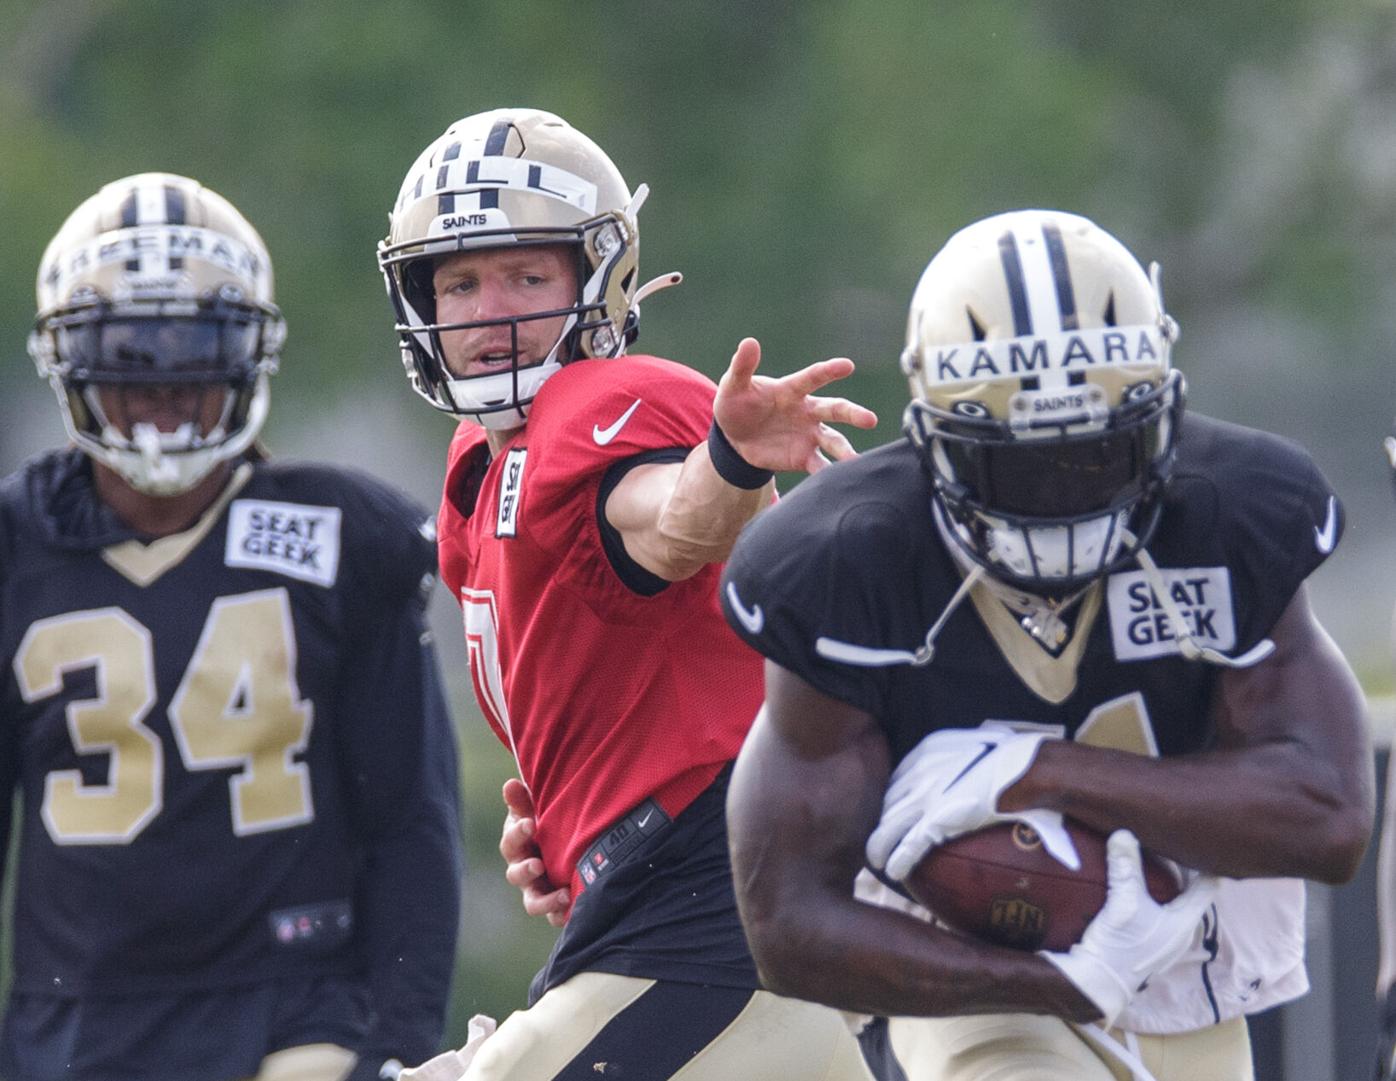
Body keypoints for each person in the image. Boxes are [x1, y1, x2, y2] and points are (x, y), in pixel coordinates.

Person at [718, 209, 1375, 1081]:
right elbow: (788, 923)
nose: (1066, 494)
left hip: (1189, 971)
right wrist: (1058, 981)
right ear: (936, 431)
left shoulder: (1233, 511)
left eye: (1100, 453)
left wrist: (1044, 772)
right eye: (1020, 464)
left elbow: (1330, 817)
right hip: (954, 985)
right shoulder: (852, 561)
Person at [376, 108, 882, 1080]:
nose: (491, 311)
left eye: (527, 275)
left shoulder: (596, 405)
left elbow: (672, 518)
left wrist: (729, 462)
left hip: (715, 912)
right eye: (461, 282)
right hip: (664, 908)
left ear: (595, 279)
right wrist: (574, 828)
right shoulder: (475, 476)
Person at [1, 173, 463, 1081]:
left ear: (249, 354)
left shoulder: (342, 539)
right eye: (131, 354)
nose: (164, 384)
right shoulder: (17, 550)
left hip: (294, 1009)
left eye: (194, 352)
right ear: (71, 361)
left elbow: (411, 817)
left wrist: (397, 1043)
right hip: (74, 1029)